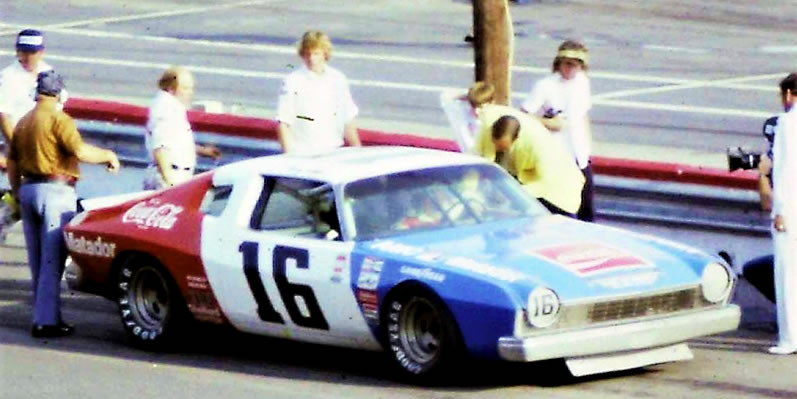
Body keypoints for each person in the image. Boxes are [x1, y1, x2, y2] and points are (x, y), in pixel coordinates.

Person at [6, 70, 120, 338]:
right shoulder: (59, 119)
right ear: (58, 93)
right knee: (52, 260)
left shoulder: (23, 122)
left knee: (37, 261)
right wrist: (108, 155)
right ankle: (46, 322)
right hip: (56, 192)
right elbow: (79, 151)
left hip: (29, 190)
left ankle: (47, 315)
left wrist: (17, 190)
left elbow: (12, 162)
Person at [521, 40, 595, 221]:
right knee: (560, 205)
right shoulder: (546, 86)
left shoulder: (582, 83)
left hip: (579, 153)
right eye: (567, 63)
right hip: (557, 153)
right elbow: (524, 115)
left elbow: (582, 115)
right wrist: (548, 122)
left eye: (576, 65)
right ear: (559, 63)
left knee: (586, 205)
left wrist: (587, 145)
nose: (571, 68)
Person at [474, 111, 584, 216]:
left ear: (516, 139)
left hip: (558, 190)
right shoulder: (488, 129)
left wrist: (512, 192)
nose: (499, 149)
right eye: (497, 145)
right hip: (529, 182)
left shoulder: (538, 148)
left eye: (503, 147)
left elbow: (544, 184)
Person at [276, 30, 361, 154]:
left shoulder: (338, 79)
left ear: (325, 54)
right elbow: (283, 122)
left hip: (333, 150)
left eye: (316, 54)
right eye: (307, 54)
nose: (311, 59)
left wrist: (357, 150)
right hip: (303, 153)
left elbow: (348, 118)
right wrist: (289, 156)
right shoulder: (292, 81)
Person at [0, 30, 66, 182]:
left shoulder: (49, 73)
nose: (27, 57)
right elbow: (4, 116)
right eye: (23, 52)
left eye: (32, 52)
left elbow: (58, 110)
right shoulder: (8, 77)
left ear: (41, 52)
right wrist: (19, 149)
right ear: (17, 52)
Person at [144, 66, 220, 190]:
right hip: (171, 174)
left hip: (175, 173)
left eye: (191, 88)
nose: (190, 93)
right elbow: (160, 147)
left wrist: (203, 151)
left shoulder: (172, 107)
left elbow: (174, 142)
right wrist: (170, 183)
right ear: (171, 88)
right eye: (185, 88)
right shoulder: (166, 109)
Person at [769, 72, 797, 355]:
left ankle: (790, 337)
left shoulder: (787, 124)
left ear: (789, 94)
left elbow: (784, 171)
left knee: (788, 274)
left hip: (791, 207)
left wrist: (780, 210)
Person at [440, 81, 495, 153]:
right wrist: (469, 95)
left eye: (481, 107)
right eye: (473, 106)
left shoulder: (492, 120)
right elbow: (445, 96)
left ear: (491, 103)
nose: (476, 111)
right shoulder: (460, 113)